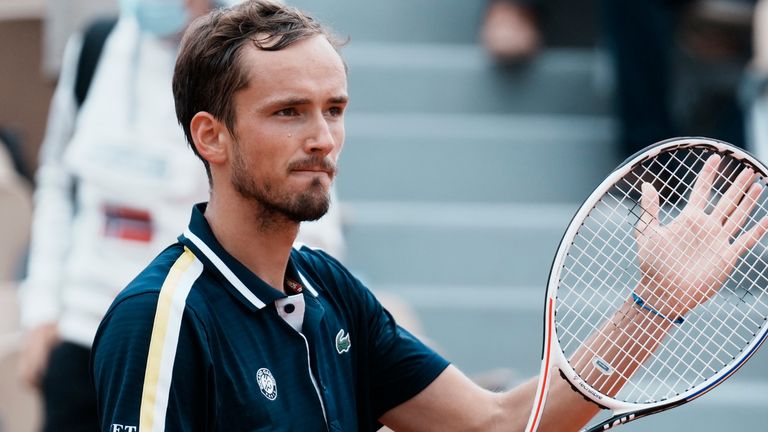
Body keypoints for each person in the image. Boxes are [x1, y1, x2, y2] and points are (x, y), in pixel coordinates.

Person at [91, 1, 768, 430]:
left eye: (335, 109)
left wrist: (654, 305)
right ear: (211, 136)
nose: (323, 137)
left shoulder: (334, 293)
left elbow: (505, 425)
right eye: (288, 112)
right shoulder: (163, 315)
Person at [18, 0, 344, 431]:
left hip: (197, 341)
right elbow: (58, 180)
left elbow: (302, 209)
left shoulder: (259, 65)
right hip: (85, 335)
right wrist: (41, 310)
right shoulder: (98, 46)